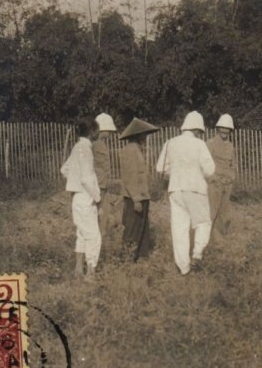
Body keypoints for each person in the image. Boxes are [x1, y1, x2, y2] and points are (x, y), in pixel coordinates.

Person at [156, 111, 216, 275]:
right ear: (197, 130)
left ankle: (184, 268)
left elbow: (160, 168)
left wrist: (174, 173)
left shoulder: (170, 143)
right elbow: (210, 169)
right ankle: (197, 254)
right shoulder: (199, 144)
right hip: (195, 189)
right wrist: (198, 174)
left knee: (179, 229)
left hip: (175, 189)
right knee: (203, 222)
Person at [60, 116, 101, 282]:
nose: (98, 133)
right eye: (96, 130)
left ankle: (78, 269)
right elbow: (86, 179)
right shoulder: (86, 149)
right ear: (92, 132)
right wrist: (97, 198)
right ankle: (91, 273)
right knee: (94, 236)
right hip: (85, 197)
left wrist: (73, 182)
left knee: (82, 234)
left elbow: (64, 169)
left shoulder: (77, 147)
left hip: (77, 196)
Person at [119, 117, 159, 262]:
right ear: (137, 135)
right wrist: (136, 198)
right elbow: (130, 177)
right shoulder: (130, 150)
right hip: (135, 198)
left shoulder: (136, 149)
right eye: (143, 134)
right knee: (132, 229)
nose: (145, 137)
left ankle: (140, 257)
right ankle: (127, 259)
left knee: (142, 228)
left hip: (142, 196)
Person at [93, 113, 120, 252]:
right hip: (96, 187)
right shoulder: (93, 145)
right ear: (102, 130)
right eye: (109, 130)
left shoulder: (102, 144)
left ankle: (103, 246)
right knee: (98, 217)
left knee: (105, 215)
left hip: (104, 186)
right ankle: (97, 247)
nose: (110, 133)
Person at [207, 114, 237, 240]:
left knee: (225, 211)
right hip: (215, 182)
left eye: (228, 128)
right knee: (212, 210)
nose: (225, 131)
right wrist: (212, 177)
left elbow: (233, 165)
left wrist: (231, 177)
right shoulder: (210, 143)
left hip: (227, 183)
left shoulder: (230, 146)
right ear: (218, 129)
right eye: (222, 128)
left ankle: (223, 236)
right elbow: (205, 163)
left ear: (230, 130)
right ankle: (209, 237)